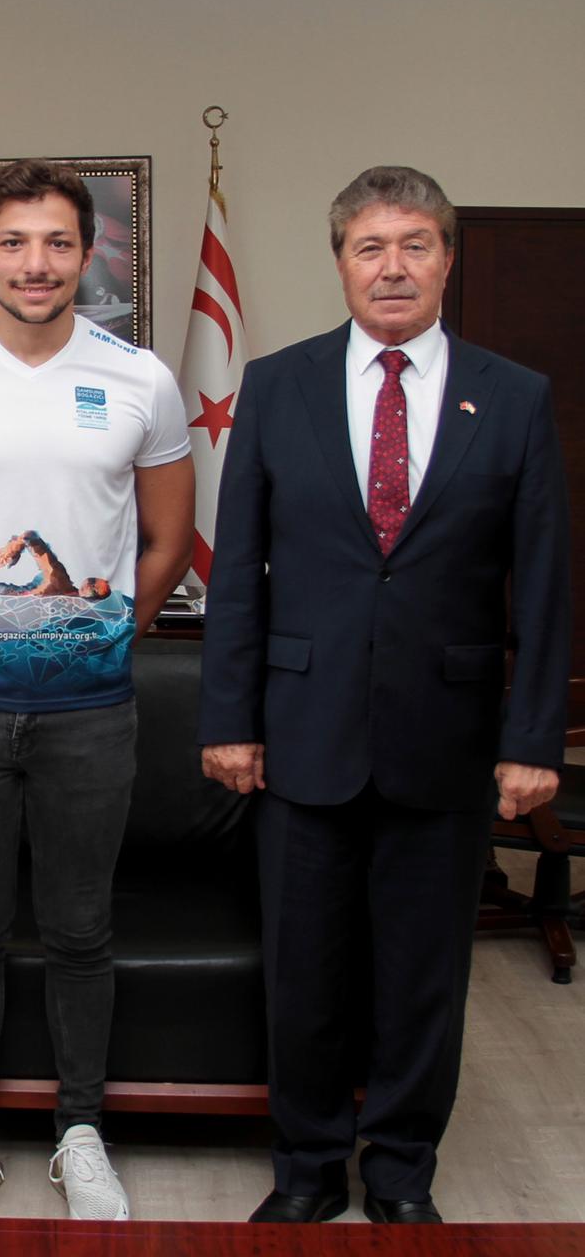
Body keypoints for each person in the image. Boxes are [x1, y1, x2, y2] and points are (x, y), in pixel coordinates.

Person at [199, 166, 570, 1225]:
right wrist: (229, 719)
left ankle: (403, 1172)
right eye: (371, 246)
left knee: (422, 976)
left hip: (447, 740)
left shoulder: (513, 395)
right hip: (299, 733)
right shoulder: (279, 386)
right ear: (340, 263)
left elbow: (542, 582)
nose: (393, 266)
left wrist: (531, 736)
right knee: (304, 973)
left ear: (448, 259)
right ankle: (308, 1169)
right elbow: (239, 573)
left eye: (415, 244)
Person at [0, 158, 194, 1221]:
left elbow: (165, 541)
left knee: (79, 929)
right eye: (14, 242)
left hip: (91, 712)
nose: (36, 263)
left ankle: (80, 1131)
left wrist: (90, 637)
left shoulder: (142, 378)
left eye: (58, 241)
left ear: (87, 253)